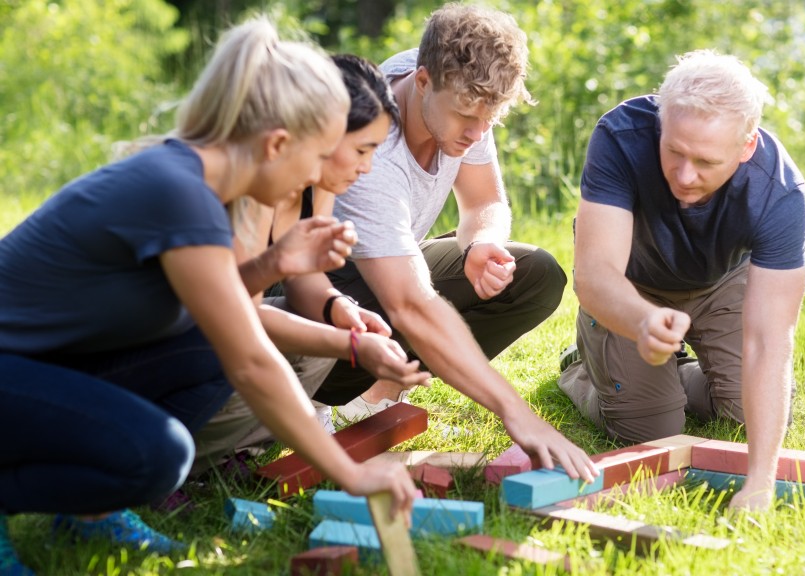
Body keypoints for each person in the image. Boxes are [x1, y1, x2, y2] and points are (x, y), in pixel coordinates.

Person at [0, 18, 415, 575]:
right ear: (276, 144)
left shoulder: (195, 184)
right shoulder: (178, 192)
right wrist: (352, 473)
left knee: (203, 348)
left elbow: (217, 315)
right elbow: (252, 362)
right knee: (158, 454)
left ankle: (88, 513)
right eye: (317, 158)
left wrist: (270, 266)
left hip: (38, 367)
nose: (320, 175)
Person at [317, 3, 597, 481]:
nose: (478, 131)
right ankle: (322, 398)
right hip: (323, 297)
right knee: (406, 309)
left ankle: (376, 396)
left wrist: (482, 243)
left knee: (535, 275)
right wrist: (516, 412)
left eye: (492, 116)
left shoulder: (464, 89)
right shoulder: (376, 151)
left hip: (395, 265)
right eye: (467, 115)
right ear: (422, 81)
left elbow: (485, 199)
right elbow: (409, 304)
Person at [558, 50, 805, 511]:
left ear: (746, 146)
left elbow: (770, 340)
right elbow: (595, 275)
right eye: (674, 151)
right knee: (652, 433)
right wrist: (642, 321)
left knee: (747, 416)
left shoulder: (779, 192)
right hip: (632, 287)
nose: (685, 175)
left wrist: (760, 481)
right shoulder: (620, 136)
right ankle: (581, 369)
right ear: (661, 123)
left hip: (720, 283)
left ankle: (672, 373)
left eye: (706, 161)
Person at [190, 54, 430, 474]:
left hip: (212, 327)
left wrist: (338, 308)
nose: (367, 166)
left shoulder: (313, 185)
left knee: (320, 329)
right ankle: (186, 457)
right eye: (361, 149)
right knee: (302, 343)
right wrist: (352, 345)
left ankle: (228, 451)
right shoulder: (251, 188)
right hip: (179, 341)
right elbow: (236, 316)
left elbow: (305, 282)